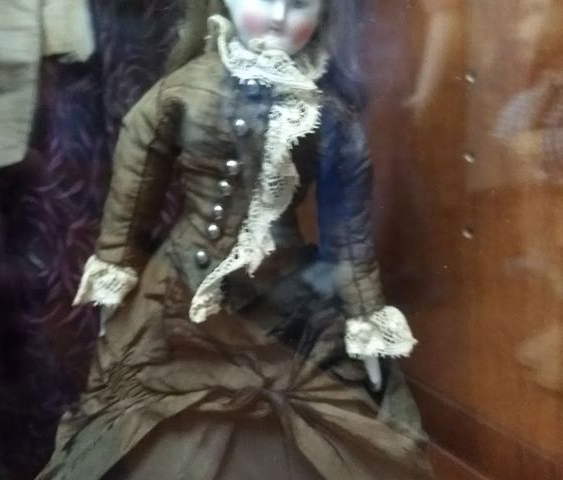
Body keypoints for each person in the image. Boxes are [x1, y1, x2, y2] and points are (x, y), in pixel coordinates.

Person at [37, 1, 433, 478]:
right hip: (181, 301)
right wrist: (114, 273)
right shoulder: (181, 94)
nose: (278, 16)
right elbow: (134, 193)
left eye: (299, 4)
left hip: (287, 304)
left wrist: (364, 319)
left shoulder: (328, 114)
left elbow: (348, 238)